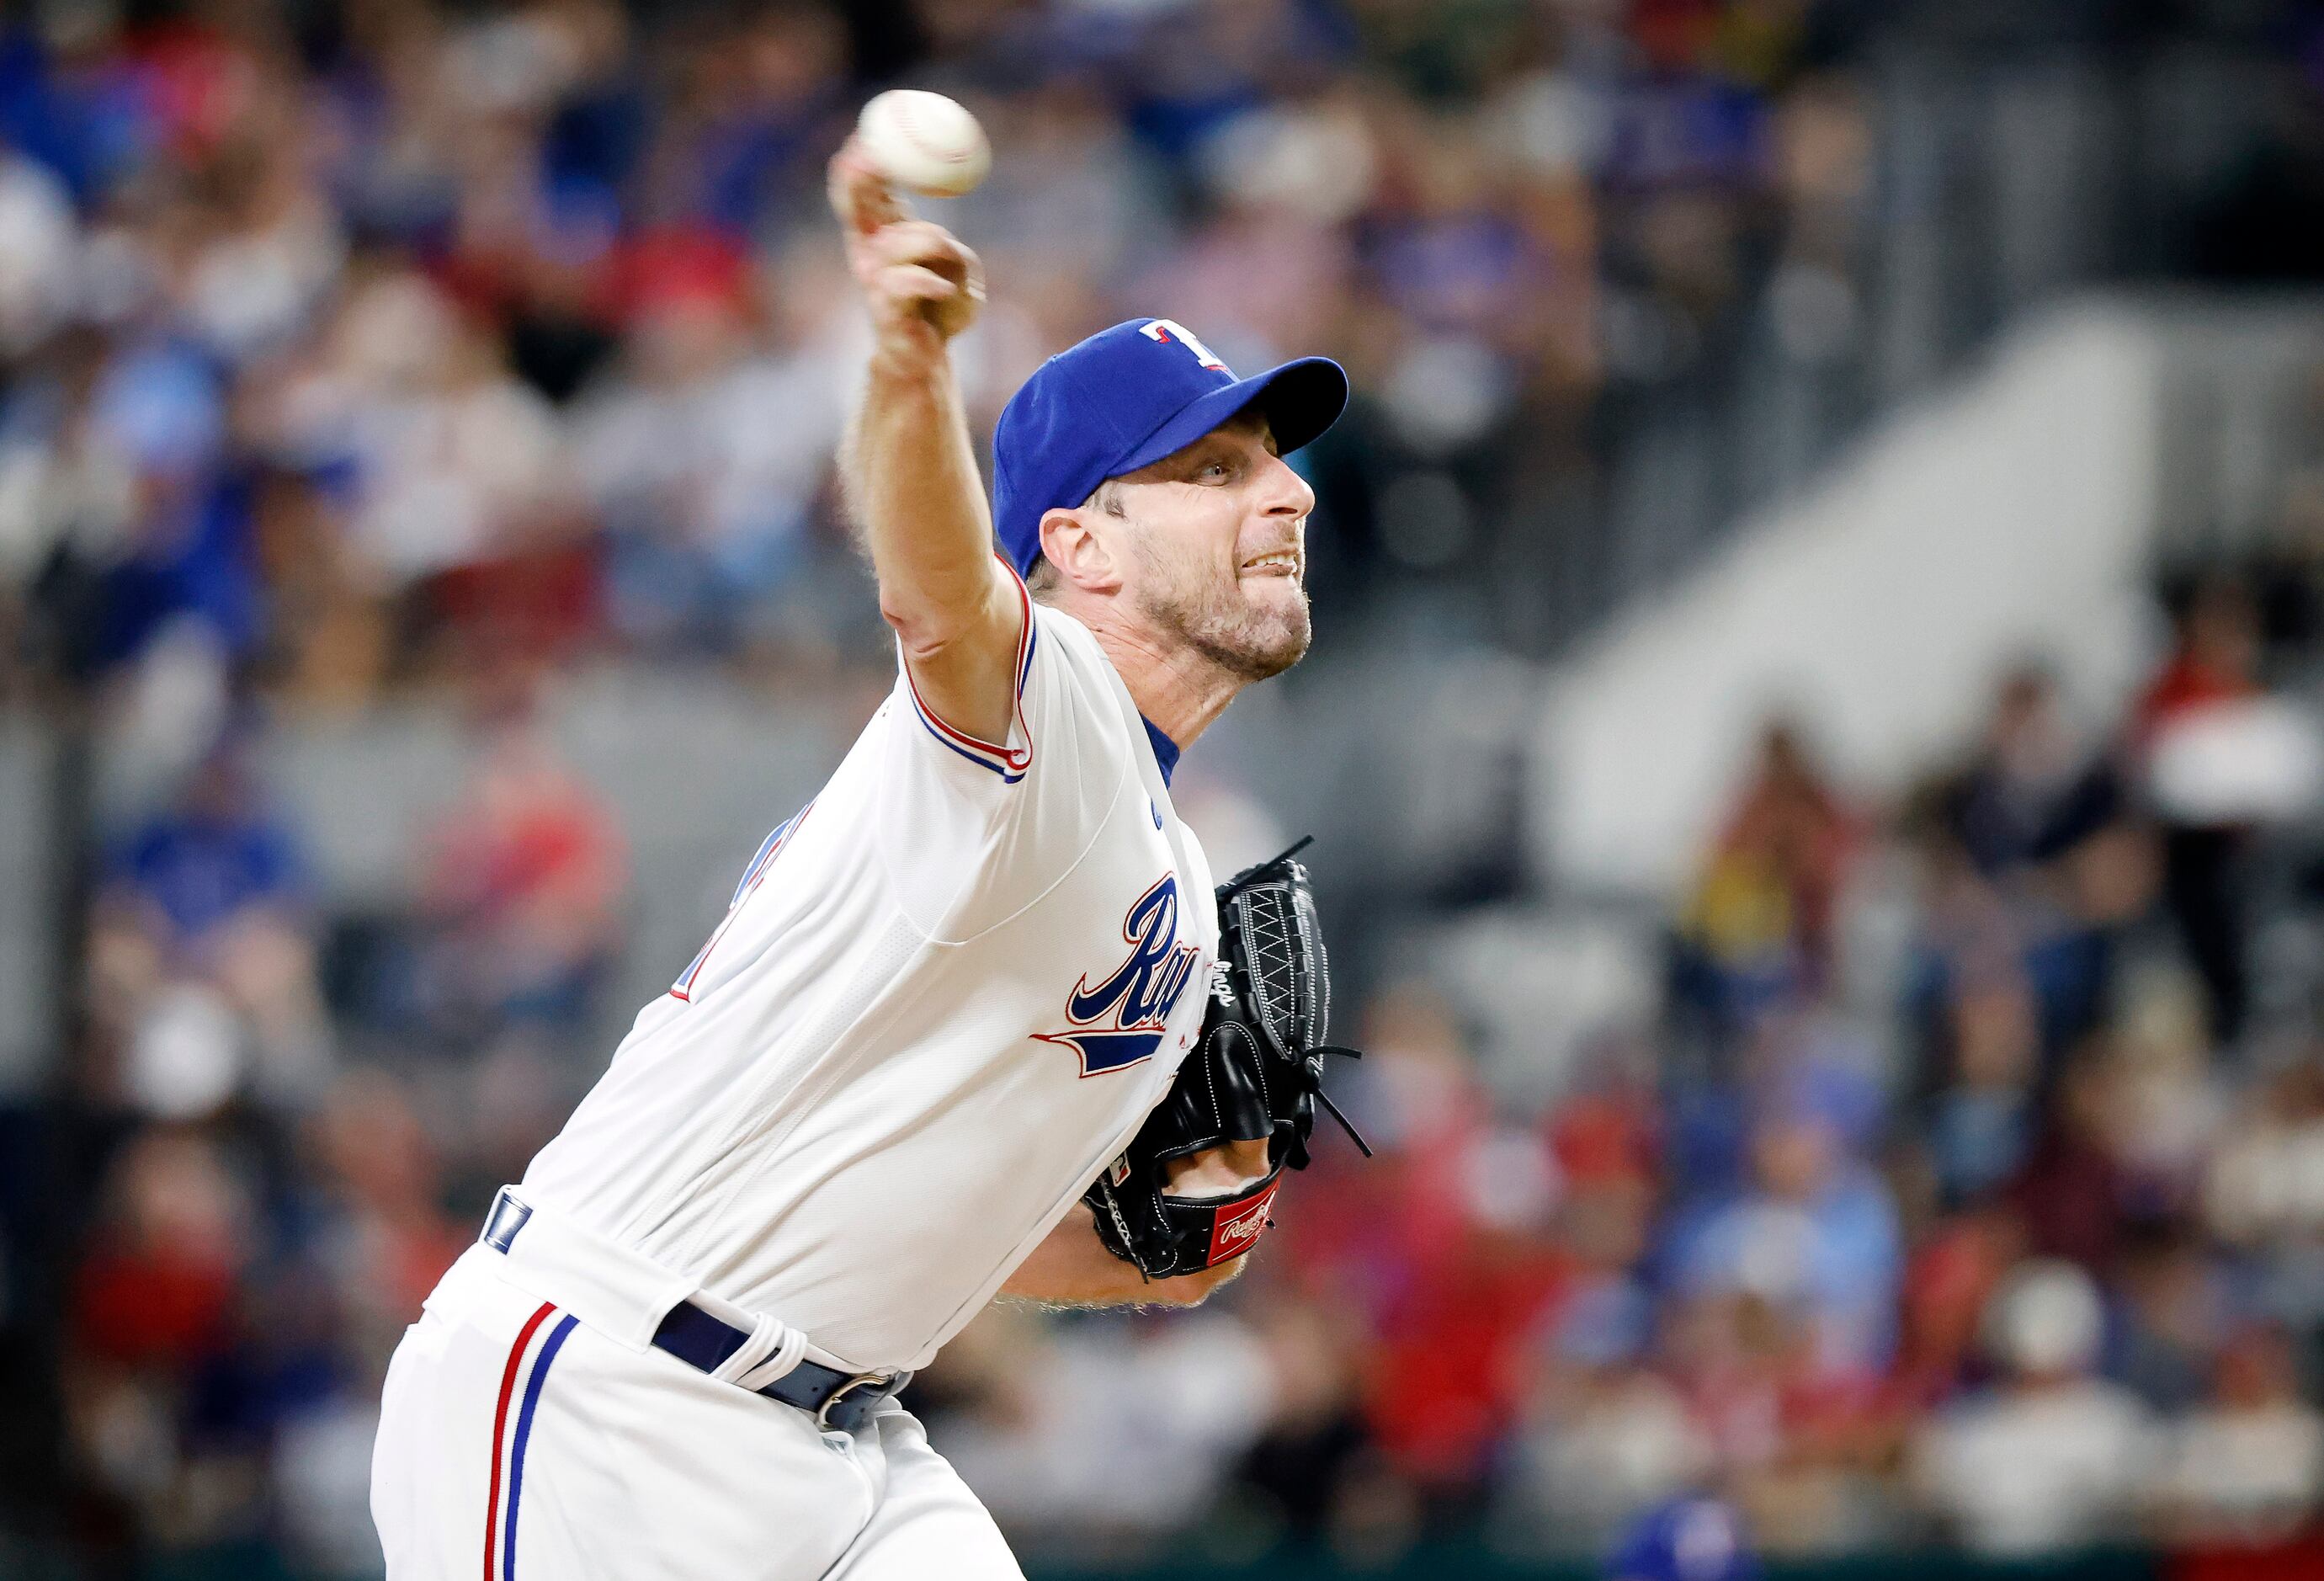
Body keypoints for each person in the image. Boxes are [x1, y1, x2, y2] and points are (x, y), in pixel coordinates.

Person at [367, 133, 1350, 1579]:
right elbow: (940, 592)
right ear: (1079, 545)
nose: (1288, 496)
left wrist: (1168, 1246)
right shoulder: (1044, 703)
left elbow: (985, 1239)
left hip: (845, 1439)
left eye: (1273, 462)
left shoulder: (1176, 888)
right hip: (606, 1399)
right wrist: (900, 367)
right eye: (1213, 470)